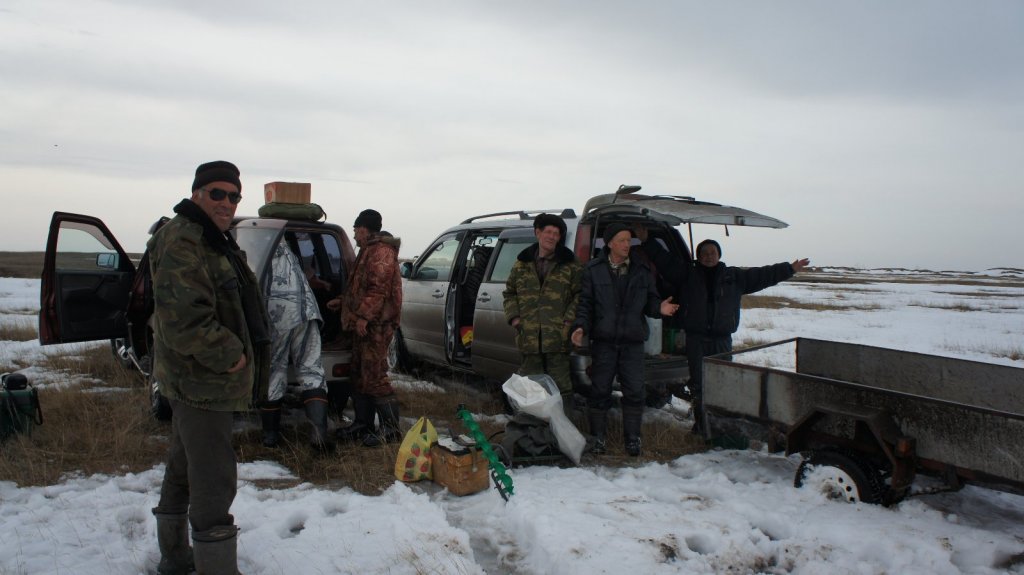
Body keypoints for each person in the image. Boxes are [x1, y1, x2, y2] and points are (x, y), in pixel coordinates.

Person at [149, 161, 270, 575]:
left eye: (234, 195)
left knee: (184, 468)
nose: (226, 202)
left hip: (196, 381)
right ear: (197, 193)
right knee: (214, 479)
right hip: (204, 381)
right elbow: (185, 319)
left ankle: (176, 560)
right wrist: (231, 355)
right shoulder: (186, 239)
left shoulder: (209, 237)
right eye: (217, 193)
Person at [639, 232, 809, 436]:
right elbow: (665, 261)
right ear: (698, 256)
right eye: (704, 253)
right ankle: (703, 427)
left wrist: (789, 269)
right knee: (700, 384)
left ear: (719, 255)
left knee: (721, 383)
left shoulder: (734, 276)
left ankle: (718, 425)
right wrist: (647, 240)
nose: (708, 256)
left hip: (722, 341)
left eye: (712, 252)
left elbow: (763, 275)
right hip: (697, 340)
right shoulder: (687, 274)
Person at [571, 223, 678, 456]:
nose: (627, 244)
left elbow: (651, 301)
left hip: (632, 342)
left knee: (635, 392)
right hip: (604, 342)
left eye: (629, 240)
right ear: (609, 243)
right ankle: (598, 438)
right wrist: (580, 327)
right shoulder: (593, 270)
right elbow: (585, 305)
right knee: (599, 391)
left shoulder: (642, 270)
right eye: (621, 240)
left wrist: (660, 307)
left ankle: (632, 439)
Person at [327, 209, 403, 447]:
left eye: (355, 230)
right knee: (359, 375)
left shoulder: (382, 252)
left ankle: (390, 431)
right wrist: (343, 301)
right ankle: (363, 424)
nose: (354, 235)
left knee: (375, 376)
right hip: (366, 324)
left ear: (363, 229)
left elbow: (378, 290)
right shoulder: (367, 251)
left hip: (376, 326)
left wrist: (363, 318)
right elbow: (360, 289)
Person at [503, 213, 582, 411]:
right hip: (529, 339)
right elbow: (510, 292)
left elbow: (581, 295)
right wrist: (515, 319)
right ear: (537, 233)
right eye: (548, 231)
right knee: (531, 387)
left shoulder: (570, 264)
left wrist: (567, 323)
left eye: (556, 233)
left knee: (562, 389)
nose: (552, 236)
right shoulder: (522, 263)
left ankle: (564, 433)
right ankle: (532, 432)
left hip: (557, 340)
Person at [260, 242, 332, 452]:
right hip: (307, 312)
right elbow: (309, 278)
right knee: (311, 369)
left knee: (274, 370)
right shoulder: (291, 255)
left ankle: (271, 436)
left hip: (277, 315)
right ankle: (319, 436)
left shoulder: (259, 249)